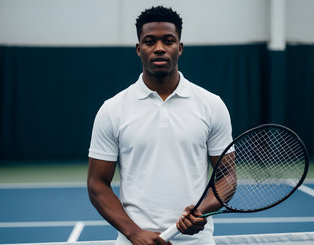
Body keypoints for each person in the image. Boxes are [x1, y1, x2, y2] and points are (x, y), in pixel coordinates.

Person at [88, 6, 232, 245]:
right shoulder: (112, 109)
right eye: (149, 41)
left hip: (197, 241)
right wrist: (134, 233)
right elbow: (96, 184)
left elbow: (227, 176)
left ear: (180, 48)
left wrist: (201, 211)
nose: (159, 48)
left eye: (168, 41)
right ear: (138, 49)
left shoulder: (211, 104)